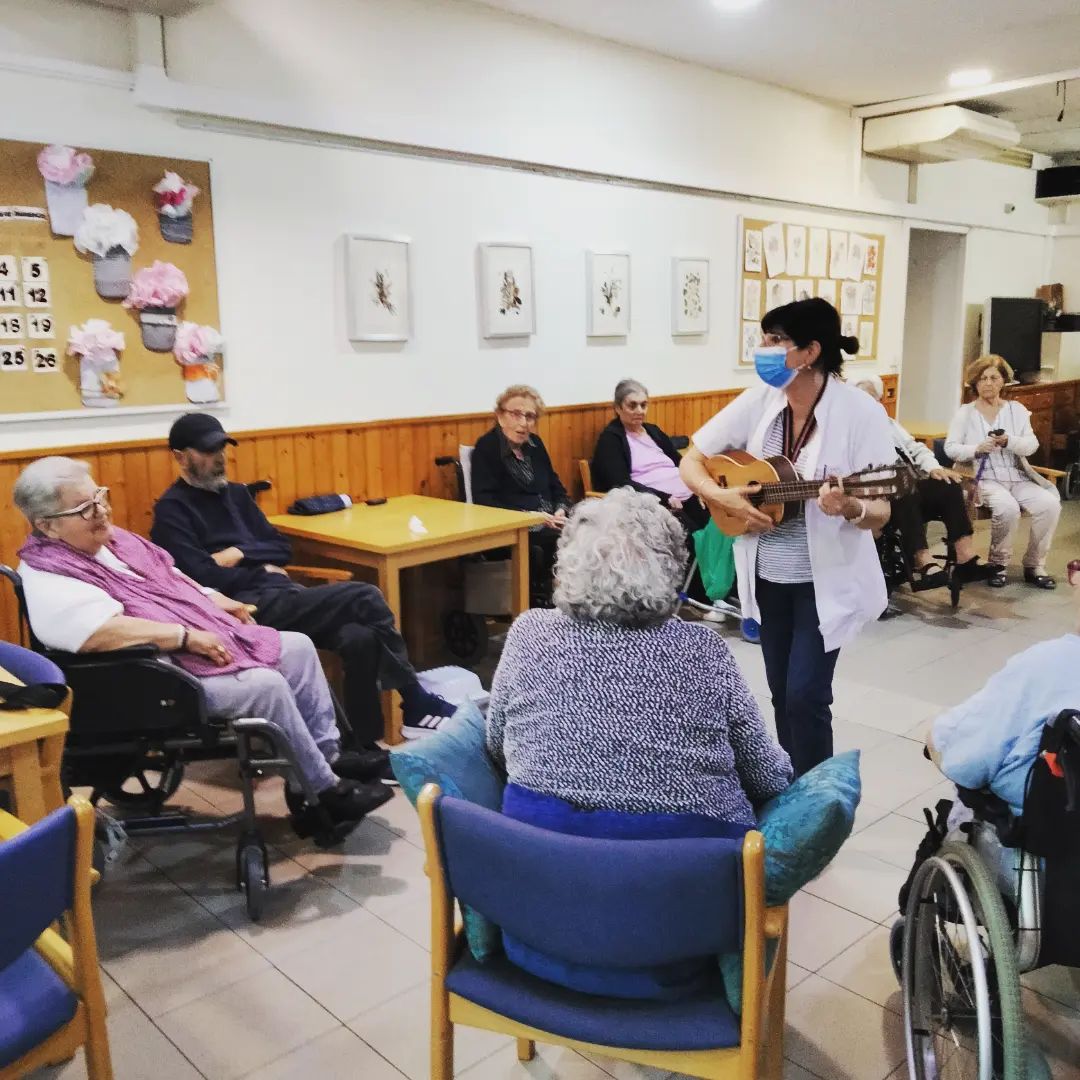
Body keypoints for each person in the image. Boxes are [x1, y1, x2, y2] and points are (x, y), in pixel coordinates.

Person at [12, 456, 392, 841]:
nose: (102, 511)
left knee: (296, 647)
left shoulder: (113, 542)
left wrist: (215, 599)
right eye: (85, 508)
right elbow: (99, 633)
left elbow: (173, 579)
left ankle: (321, 767)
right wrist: (185, 636)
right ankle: (323, 794)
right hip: (152, 681)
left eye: (100, 497)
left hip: (175, 658)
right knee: (265, 685)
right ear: (47, 525)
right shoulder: (48, 574)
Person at [486, 486, 792, 826]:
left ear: (567, 562)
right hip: (691, 867)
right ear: (673, 568)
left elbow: (497, 746)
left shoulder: (529, 632)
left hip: (539, 859)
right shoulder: (703, 649)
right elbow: (767, 776)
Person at [680, 298, 895, 776]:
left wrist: (851, 506)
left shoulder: (860, 412)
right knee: (780, 692)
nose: (764, 350)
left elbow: (879, 510)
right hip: (767, 574)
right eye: (765, 338)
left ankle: (819, 804)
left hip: (824, 583)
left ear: (810, 351)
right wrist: (724, 499)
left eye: (775, 341)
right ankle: (791, 788)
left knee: (806, 695)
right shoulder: (761, 399)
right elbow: (691, 459)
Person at [150, 413, 455, 746]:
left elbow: (281, 548)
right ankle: (414, 700)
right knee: (365, 596)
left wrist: (237, 552)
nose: (220, 457)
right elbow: (202, 576)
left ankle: (361, 747)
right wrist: (257, 568)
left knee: (360, 636)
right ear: (181, 457)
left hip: (283, 594)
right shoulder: (171, 511)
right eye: (208, 451)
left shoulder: (237, 495)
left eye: (222, 448)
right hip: (242, 611)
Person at [855, 374, 995, 589]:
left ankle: (965, 557)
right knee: (904, 489)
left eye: (873, 399)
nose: (868, 405)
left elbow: (916, 449)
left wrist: (934, 468)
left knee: (948, 485)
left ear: (880, 402)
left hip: (911, 484)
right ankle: (923, 560)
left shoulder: (889, 424)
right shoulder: (851, 432)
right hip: (883, 496)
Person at [945, 355, 1060, 589]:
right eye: (983, 378)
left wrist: (1009, 441)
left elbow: (1031, 445)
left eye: (994, 378)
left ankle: (1035, 564)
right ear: (975, 384)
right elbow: (951, 449)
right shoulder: (965, 413)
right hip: (984, 478)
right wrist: (976, 448)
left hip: (1017, 476)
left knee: (1049, 504)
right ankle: (998, 564)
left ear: (1003, 382)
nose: (988, 383)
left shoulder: (1016, 410)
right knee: (1007, 508)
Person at [469, 385, 569, 605]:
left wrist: (561, 509)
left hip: (551, 521)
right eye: (516, 414)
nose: (523, 423)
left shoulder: (536, 445)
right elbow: (485, 502)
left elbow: (556, 486)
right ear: (500, 416)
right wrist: (533, 517)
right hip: (515, 529)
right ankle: (555, 608)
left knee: (587, 531)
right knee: (557, 542)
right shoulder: (487, 448)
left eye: (530, 416)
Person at [590, 378, 709, 532]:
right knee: (692, 534)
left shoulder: (653, 431)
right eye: (632, 405)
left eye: (643, 405)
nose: (639, 410)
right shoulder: (611, 439)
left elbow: (681, 463)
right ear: (618, 408)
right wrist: (664, 497)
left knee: (715, 523)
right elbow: (620, 483)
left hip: (686, 493)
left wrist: (700, 485)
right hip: (654, 503)